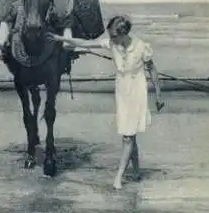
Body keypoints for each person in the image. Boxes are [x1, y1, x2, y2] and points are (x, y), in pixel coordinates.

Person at [49, 15, 164, 190]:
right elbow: (85, 43)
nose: (110, 39)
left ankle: (118, 177)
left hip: (137, 92)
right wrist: (62, 38)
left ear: (123, 33)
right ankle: (137, 171)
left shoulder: (141, 47)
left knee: (128, 136)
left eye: (113, 36)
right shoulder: (111, 43)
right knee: (129, 133)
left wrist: (158, 96)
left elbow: (153, 71)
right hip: (121, 91)